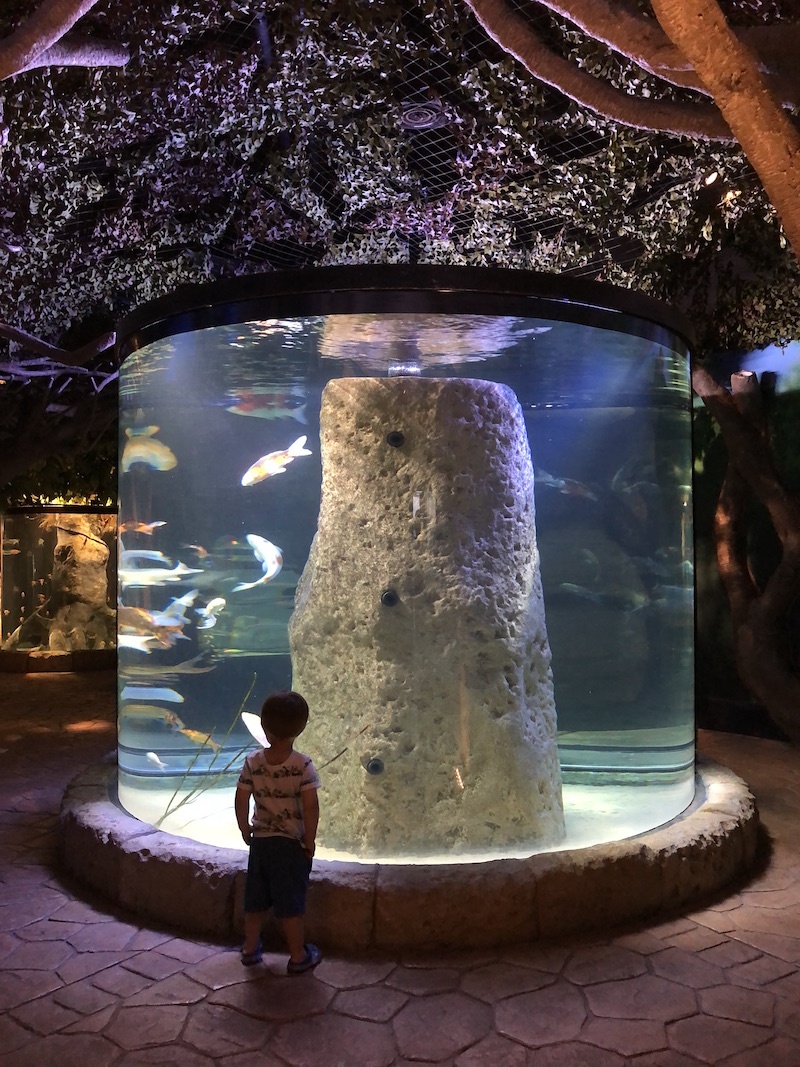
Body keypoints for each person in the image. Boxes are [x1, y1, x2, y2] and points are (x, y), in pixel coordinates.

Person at [235, 689, 322, 974]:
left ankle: (250, 949)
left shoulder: (252, 762)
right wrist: (309, 840)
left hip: (261, 843)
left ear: (264, 727)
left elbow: (241, 796)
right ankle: (298, 956)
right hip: (289, 846)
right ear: (302, 727)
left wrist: (243, 826)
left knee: (256, 899)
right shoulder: (303, 765)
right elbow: (311, 807)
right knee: (290, 902)